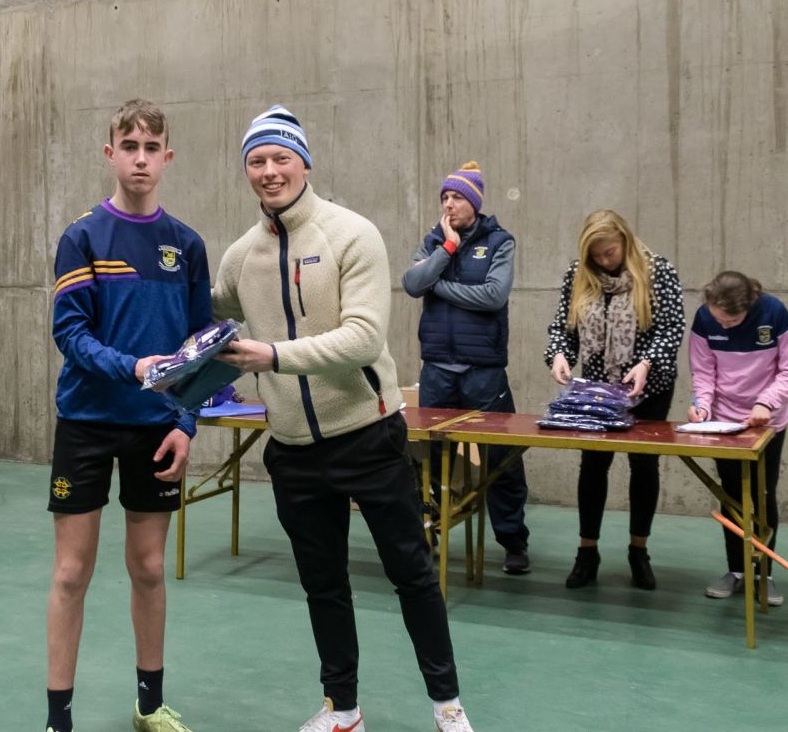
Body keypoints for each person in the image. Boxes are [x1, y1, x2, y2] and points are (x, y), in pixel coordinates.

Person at [215, 105, 475, 732]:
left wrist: (270, 355)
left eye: (281, 158)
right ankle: (343, 710)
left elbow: (362, 338)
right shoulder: (239, 257)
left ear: (305, 161)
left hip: (367, 433)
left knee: (411, 573)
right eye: (257, 161)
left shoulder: (351, 234)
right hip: (292, 448)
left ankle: (448, 706)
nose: (270, 171)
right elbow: (202, 318)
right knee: (323, 585)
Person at [45, 99, 209, 732]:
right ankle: (59, 717)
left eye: (151, 147)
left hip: (155, 429)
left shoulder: (187, 245)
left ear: (167, 157)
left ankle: (149, 705)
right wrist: (134, 367)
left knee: (147, 567)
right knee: (71, 571)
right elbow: (71, 334)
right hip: (85, 423)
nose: (140, 158)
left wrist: (184, 422)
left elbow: (200, 345)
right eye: (128, 145)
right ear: (109, 152)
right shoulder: (82, 237)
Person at [545, 209, 684, 590]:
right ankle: (586, 552)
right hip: (596, 389)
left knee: (644, 466)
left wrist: (647, 362)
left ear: (625, 240)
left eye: (610, 252)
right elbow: (563, 325)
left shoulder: (658, 272)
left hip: (647, 387)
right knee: (593, 465)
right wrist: (559, 355)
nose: (604, 261)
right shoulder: (578, 274)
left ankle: (639, 551)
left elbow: (672, 327)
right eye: (597, 255)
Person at [402, 160, 530, 574]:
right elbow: (410, 283)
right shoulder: (435, 241)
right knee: (428, 457)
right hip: (438, 368)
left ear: (474, 202)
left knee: (501, 458)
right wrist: (448, 249)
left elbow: (494, 296)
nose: (449, 204)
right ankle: (429, 529)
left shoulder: (499, 242)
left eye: (457, 197)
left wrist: (438, 286)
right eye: (444, 197)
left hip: (483, 370)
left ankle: (513, 542)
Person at [688, 271, 788, 606]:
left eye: (732, 319)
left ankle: (764, 574)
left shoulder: (775, 313)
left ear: (749, 307)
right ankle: (737, 570)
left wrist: (766, 403)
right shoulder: (705, 317)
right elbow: (703, 369)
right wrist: (702, 406)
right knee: (731, 496)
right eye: (717, 317)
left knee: (763, 494)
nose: (723, 324)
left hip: (767, 421)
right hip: (723, 423)